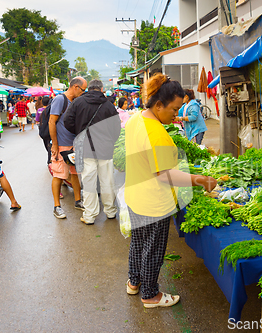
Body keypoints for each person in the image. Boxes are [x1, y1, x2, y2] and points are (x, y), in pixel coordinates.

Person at [125, 73, 217, 308]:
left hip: (135, 194)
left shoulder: (137, 119)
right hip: (153, 202)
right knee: (153, 249)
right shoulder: (157, 133)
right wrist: (200, 180)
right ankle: (150, 295)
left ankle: (134, 282)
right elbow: (165, 174)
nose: (176, 116)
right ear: (158, 105)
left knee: (138, 242)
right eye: (174, 110)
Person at [64, 79, 121, 225]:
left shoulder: (78, 102)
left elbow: (67, 121)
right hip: (105, 149)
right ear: (101, 89)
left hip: (86, 149)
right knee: (107, 180)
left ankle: (89, 216)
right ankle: (110, 212)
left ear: (88, 88)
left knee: (88, 182)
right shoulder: (108, 105)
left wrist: (78, 132)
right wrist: (111, 141)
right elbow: (116, 127)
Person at [49, 77, 87, 219]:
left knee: (75, 173)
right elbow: (51, 122)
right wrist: (54, 144)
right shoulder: (60, 99)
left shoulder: (75, 102)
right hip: (61, 145)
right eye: (83, 90)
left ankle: (78, 201)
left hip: (74, 145)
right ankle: (57, 207)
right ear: (76, 87)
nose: (83, 93)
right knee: (59, 175)